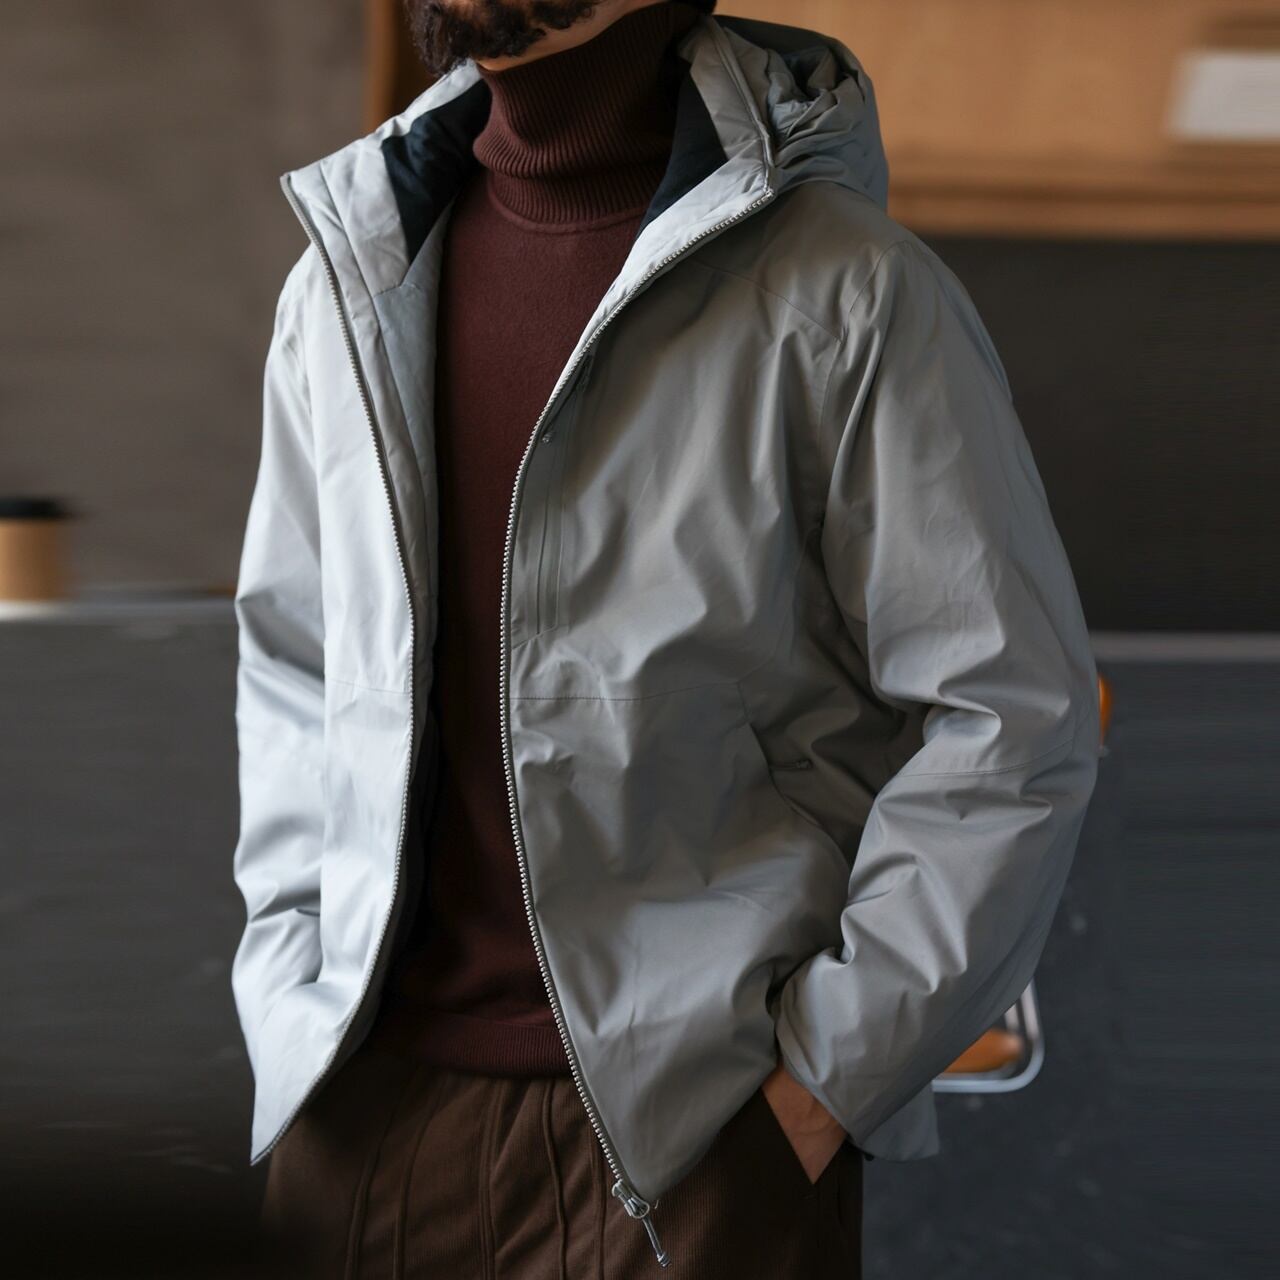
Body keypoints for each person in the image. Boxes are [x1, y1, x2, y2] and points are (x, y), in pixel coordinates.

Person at [230, 1, 1101, 1275]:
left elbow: (1009, 723)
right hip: (356, 1131)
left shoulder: (847, 292)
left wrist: (809, 1100)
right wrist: (288, 998)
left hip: (698, 1152)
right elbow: (293, 672)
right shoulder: (349, 281)